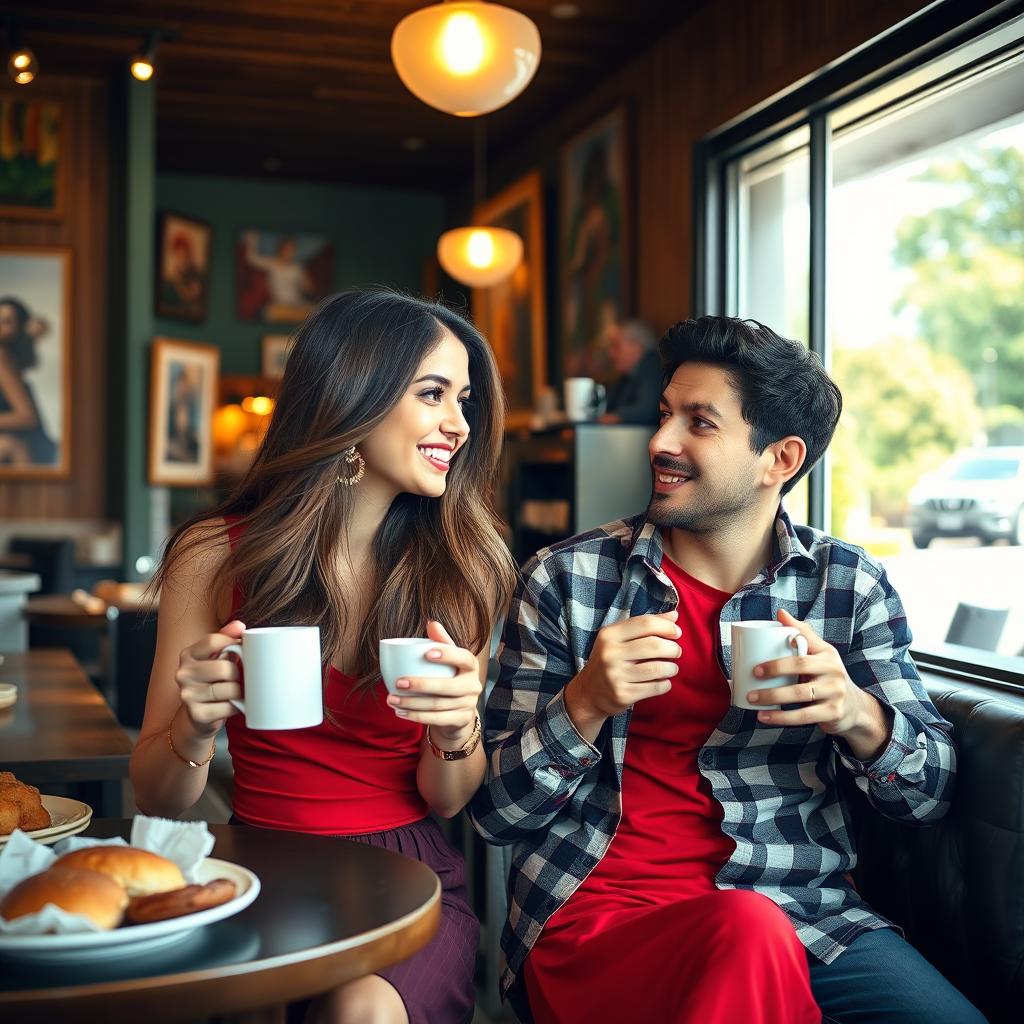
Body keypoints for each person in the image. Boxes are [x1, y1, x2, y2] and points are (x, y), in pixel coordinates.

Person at [470, 315, 985, 1024]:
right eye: (663, 416)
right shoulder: (567, 579)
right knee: (745, 931)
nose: (660, 442)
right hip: (597, 917)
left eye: (699, 423)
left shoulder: (846, 586)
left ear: (780, 458)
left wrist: (856, 716)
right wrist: (583, 704)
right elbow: (495, 813)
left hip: (806, 913)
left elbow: (927, 794)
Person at [131, 288, 518, 1024]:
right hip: (255, 868)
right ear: (351, 398)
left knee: (361, 1009)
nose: (459, 425)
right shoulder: (215, 554)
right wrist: (194, 729)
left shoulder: (459, 568)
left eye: (464, 400)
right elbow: (157, 796)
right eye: (432, 393)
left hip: (405, 878)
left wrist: (457, 729)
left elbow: (448, 796)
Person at [0, 297, 58, 466]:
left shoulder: (2, 357)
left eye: (7, 321)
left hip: (29, 448)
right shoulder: (10, 356)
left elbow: (27, 417)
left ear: (19, 327)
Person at [597, 318, 662, 425]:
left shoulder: (652, 367)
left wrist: (611, 418)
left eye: (616, 346)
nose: (611, 353)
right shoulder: (627, 376)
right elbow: (609, 405)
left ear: (636, 346)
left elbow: (647, 409)